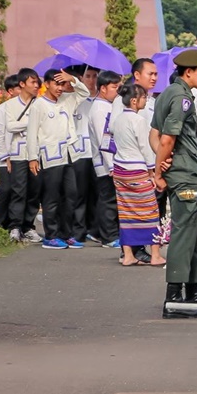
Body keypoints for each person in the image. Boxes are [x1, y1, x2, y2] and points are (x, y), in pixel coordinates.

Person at [153, 48, 197, 319]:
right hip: (186, 173)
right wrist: (159, 170)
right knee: (184, 234)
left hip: (181, 170)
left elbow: (155, 134)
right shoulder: (182, 99)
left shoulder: (168, 93)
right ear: (188, 72)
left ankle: (192, 290)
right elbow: (167, 139)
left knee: (194, 233)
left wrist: (162, 162)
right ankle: (175, 295)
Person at [27, 68, 91, 249]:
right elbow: (32, 133)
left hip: (69, 155)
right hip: (50, 157)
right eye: (57, 83)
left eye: (62, 84)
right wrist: (33, 158)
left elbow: (84, 93)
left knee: (71, 195)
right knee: (52, 197)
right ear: (46, 84)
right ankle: (51, 235)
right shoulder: (38, 105)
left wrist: (72, 79)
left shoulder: (66, 101)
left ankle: (66, 233)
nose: (60, 88)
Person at [110, 83, 166, 267]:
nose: (145, 100)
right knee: (150, 211)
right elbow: (145, 147)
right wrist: (153, 171)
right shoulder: (138, 120)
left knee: (126, 212)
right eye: (143, 97)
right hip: (137, 170)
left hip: (120, 169)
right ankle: (155, 254)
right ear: (134, 101)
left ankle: (128, 254)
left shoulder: (117, 119)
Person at [2, 69, 43, 242]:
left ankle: (28, 226)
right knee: (19, 191)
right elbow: (10, 126)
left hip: (36, 153)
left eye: (37, 83)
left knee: (34, 191)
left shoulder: (40, 104)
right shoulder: (10, 105)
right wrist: (31, 122)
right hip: (18, 153)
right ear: (22, 84)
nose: (36, 86)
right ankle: (15, 226)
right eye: (32, 82)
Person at [63, 65, 101, 245]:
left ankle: (94, 229)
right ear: (81, 78)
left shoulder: (102, 100)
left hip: (97, 153)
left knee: (97, 193)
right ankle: (77, 230)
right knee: (79, 193)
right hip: (80, 152)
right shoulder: (75, 99)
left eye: (95, 76)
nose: (92, 80)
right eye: (88, 76)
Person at [87, 70, 123, 250]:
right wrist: (111, 166)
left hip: (111, 160)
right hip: (105, 162)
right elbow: (105, 139)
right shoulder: (99, 109)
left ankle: (102, 232)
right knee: (108, 199)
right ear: (103, 88)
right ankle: (108, 236)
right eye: (114, 87)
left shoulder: (108, 106)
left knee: (110, 199)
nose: (118, 91)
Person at [0, 75, 22, 230]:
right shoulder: (1, 110)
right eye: (19, 88)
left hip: (22, 156)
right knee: (6, 188)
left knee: (19, 191)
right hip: (6, 158)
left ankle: (13, 225)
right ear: (11, 91)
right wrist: (5, 157)